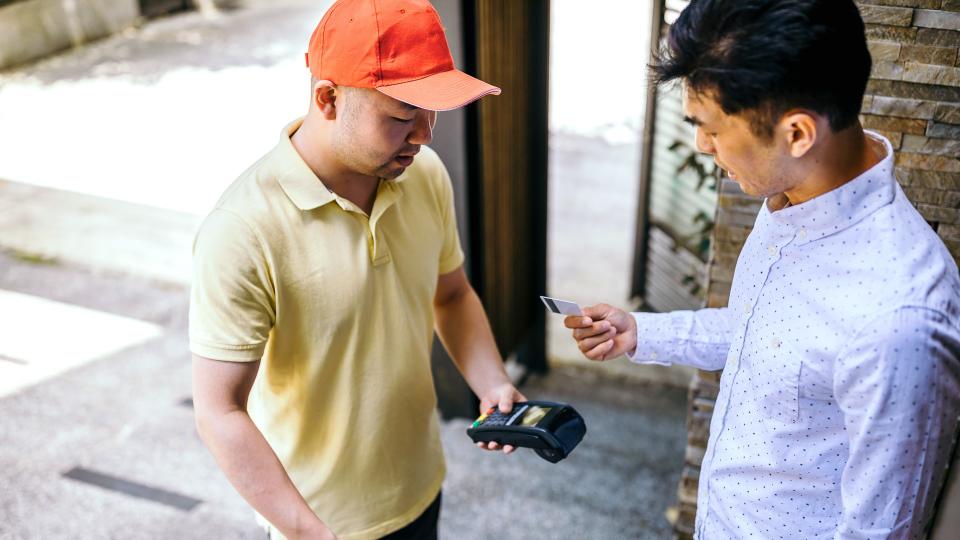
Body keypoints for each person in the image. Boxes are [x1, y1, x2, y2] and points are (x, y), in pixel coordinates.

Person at [566, 0, 960, 537]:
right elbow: (759, 331)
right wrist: (640, 331)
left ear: (797, 133)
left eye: (711, 128)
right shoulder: (790, 192)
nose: (702, 145)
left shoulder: (900, 319)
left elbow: (880, 530)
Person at [189, 1, 523, 538]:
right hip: (318, 519)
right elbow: (218, 411)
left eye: (430, 111)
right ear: (328, 98)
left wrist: (493, 384)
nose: (424, 135)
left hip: (421, 485)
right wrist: (308, 530)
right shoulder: (242, 230)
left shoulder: (425, 176)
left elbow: (453, 295)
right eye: (400, 116)